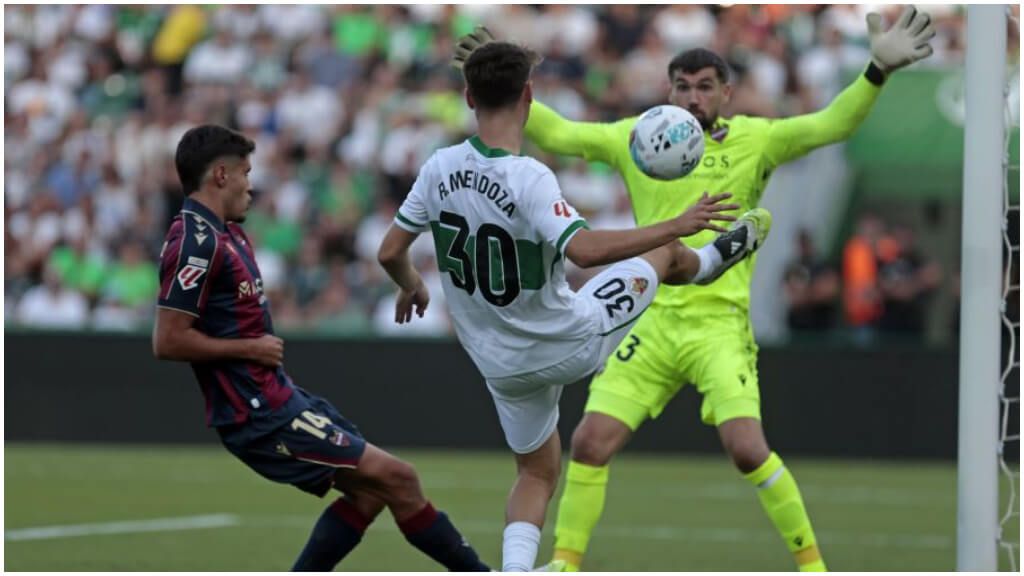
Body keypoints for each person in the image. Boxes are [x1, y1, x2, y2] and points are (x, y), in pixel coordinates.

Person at [452, 5, 935, 572]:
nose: (692, 98)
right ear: (669, 91)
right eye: (682, 86)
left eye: (705, 87)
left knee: (747, 449)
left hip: (718, 323)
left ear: (726, 93)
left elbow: (831, 125)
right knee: (589, 442)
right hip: (650, 318)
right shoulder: (637, 138)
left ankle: (813, 566)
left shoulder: (757, 140)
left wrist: (876, 70)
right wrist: (500, 80)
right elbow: (558, 132)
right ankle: (564, 563)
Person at [378, 41, 771, 572]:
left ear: (468, 97)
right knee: (663, 251)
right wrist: (676, 224)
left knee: (536, 472)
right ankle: (709, 261)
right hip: (571, 340)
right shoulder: (529, 177)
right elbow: (583, 250)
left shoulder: (438, 166)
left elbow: (389, 252)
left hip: (499, 366)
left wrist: (411, 284)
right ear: (529, 95)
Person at [152, 125, 490, 572]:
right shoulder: (196, 242)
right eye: (245, 173)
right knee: (399, 477)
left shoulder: (226, 233)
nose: (251, 185)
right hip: (255, 411)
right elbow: (168, 339)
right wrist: (248, 350)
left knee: (370, 493)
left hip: (275, 395)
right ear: (220, 175)